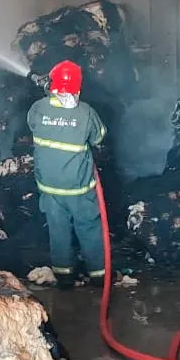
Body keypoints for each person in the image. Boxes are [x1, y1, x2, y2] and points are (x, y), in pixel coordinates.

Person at [28, 60, 108, 289]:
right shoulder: (85, 113)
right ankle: (99, 274)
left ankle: (63, 274)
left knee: (58, 228)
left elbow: (32, 124)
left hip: (49, 187)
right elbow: (99, 137)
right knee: (88, 227)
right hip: (79, 187)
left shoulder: (38, 108)